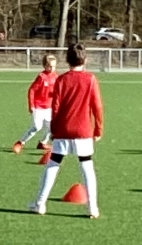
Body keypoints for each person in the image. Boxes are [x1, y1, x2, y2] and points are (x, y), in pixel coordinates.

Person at [31, 43, 103, 218]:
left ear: (67, 60)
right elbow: (97, 107)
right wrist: (98, 129)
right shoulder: (91, 79)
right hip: (83, 131)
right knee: (87, 167)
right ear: (85, 60)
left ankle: (40, 203)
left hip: (63, 130)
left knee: (53, 165)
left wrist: (54, 130)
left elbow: (55, 108)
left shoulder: (61, 80)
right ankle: (92, 208)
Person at [13, 54, 58, 153]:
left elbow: (56, 91)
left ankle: (42, 143)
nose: (52, 69)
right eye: (50, 66)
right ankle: (20, 143)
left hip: (49, 108)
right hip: (38, 107)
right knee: (36, 127)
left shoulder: (56, 76)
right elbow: (32, 90)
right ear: (45, 66)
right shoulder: (41, 77)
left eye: (54, 66)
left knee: (51, 128)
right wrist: (31, 105)